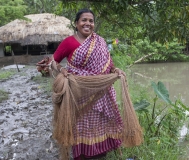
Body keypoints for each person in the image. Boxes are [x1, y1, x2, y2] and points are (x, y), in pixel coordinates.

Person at [51, 8, 143, 160]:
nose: (87, 23)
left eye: (91, 21)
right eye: (83, 20)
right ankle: (83, 154)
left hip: (102, 91)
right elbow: (54, 61)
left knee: (102, 122)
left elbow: (108, 63)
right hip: (79, 93)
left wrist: (115, 70)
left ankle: (101, 152)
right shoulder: (69, 42)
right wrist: (61, 69)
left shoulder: (99, 41)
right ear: (76, 23)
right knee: (81, 125)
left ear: (94, 24)